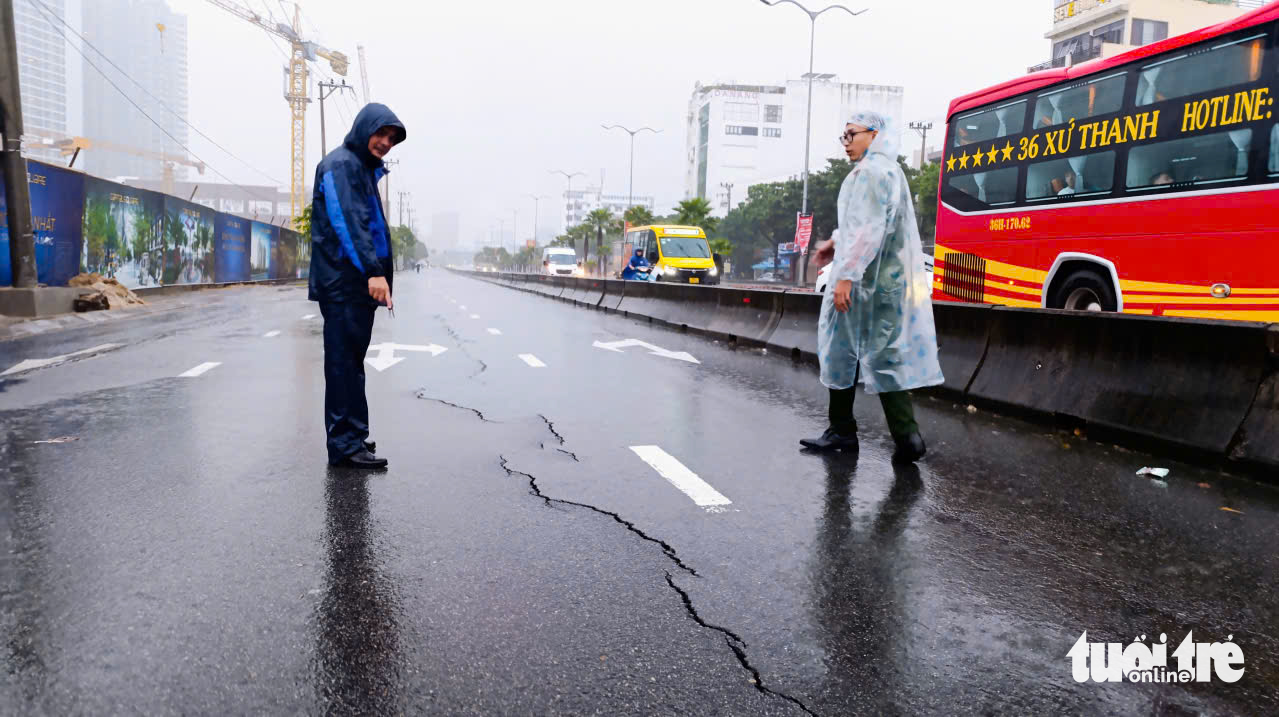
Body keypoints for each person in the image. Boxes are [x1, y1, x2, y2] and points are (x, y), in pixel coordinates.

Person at [801, 111, 944, 461]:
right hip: (888, 283)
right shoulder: (891, 171)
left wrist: (846, 276)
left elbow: (865, 230)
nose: (846, 143)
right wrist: (835, 243)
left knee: (840, 351)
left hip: (864, 282)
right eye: (844, 136)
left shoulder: (868, 173)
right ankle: (907, 436)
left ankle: (842, 430)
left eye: (852, 135)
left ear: (874, 133)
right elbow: (870, 224)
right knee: (884, 355)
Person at [308, 103, 406, 469]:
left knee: (352, 362)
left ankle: (353, 434)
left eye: (392, 139)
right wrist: (372, 272)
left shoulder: (360, 169)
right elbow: (348, 223)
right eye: (380, 134)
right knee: (343, 364)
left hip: (355, 284)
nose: (385, 143)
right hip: (344, 282)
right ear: (363, 129)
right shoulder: (342, 165)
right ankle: (344, 445)